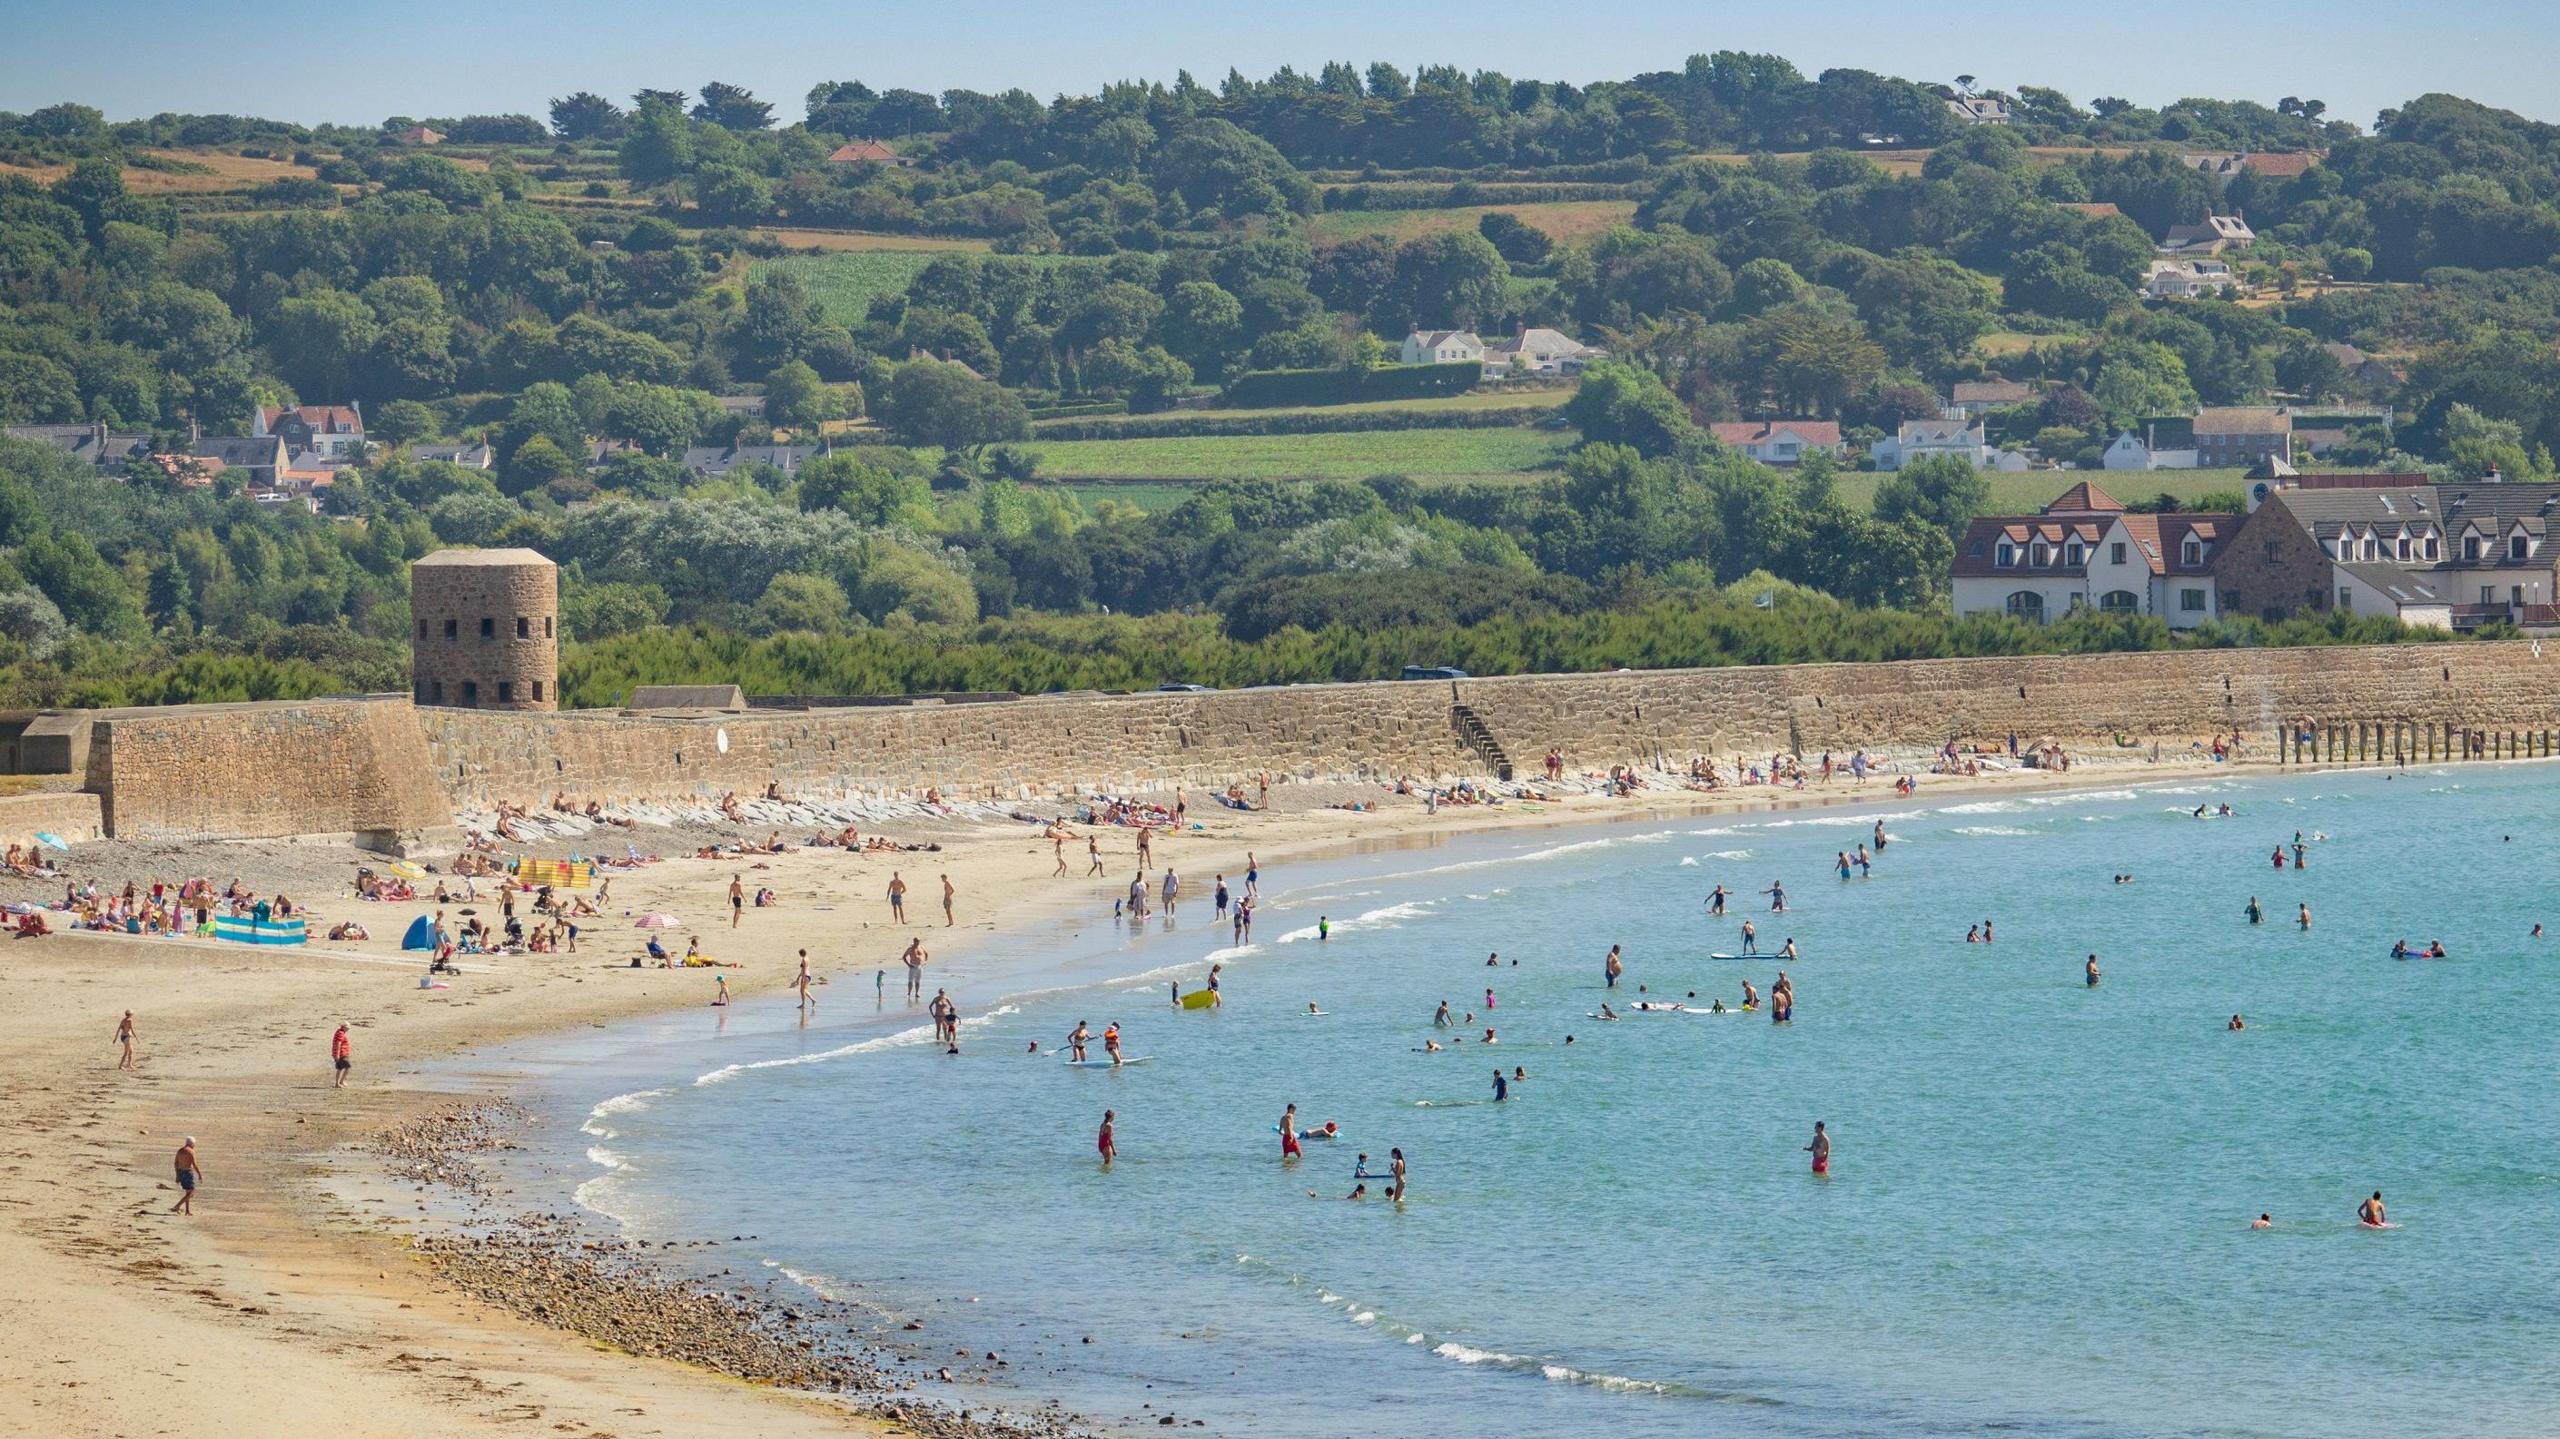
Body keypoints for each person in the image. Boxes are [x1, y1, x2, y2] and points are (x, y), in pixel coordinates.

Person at [170, 1137, 202, 1215]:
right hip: (188, 1172)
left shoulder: (180, 1151)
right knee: (191, 1192)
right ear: (192, 1144)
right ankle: (177, 1205)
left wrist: (177, 1176)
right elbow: (194, 1164)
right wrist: (199, 1174)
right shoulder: (191, 1151)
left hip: (181, 1172)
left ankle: (187, 1211)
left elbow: (176, 1164)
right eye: (194, 1144)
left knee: (188, 1192)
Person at [331, 1023, 352, 1087]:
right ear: (344, 1027)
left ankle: (338, 1083)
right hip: (342, 1054)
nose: (348, 1029)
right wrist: (337, 1054)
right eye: (347, 1028)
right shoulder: (340, 1033)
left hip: (340, 1053)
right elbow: (338, 1043)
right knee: (347, 1067)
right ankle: (340, 1082)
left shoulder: (339, 1032)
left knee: (340, 1068)